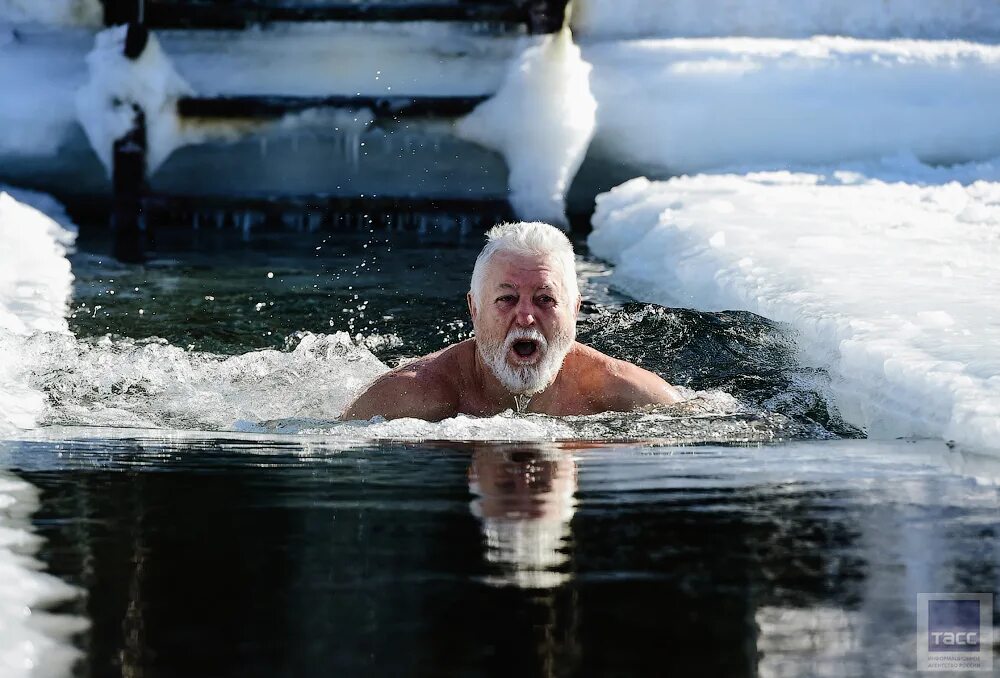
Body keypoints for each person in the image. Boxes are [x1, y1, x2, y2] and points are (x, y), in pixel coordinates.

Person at [342, 221, 682, 421]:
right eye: (506, 298)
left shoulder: (630, 394)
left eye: (545, 299)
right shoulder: (408, 397)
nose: (525, 316)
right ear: (474, 309)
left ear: (575, 310)